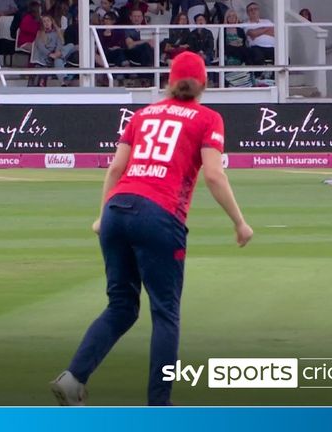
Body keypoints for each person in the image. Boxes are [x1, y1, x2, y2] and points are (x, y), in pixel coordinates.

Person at [50, 51, 253, 406]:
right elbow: (214, 174)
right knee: (165, 313)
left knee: (122, 305)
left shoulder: (142, 114)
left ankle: (73, 378)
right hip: (159, 215)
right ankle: (160, 406)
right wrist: (239, 222)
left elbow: (115, 170)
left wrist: (102, 216)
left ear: (169, 81)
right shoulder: (208, 118)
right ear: (204, 83)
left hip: (117, 210)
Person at [30, 14, 63, 86]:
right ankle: (38, 84)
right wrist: (49, 54)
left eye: (48, 21)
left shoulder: (57, 33)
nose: (46, 23)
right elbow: (40, 46)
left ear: (51, 22)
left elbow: (59, 44)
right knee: (39, 68)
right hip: (43, 56)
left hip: (53, 56)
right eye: (44, 22)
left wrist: (55, 54)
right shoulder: (40, 33)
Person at [243, 2, 274, 66]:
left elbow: (274, 32)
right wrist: (267, 28)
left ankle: (274, 75)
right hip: (257, 47)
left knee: (285, 58)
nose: (253, 11)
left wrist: (258, 31)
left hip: (272, 46)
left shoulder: (267, 21)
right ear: (247, 13)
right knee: (257, 57)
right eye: (250, 10)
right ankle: (260, 75)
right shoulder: (246, 24)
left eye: (255, 9)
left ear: (259, 11)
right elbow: (253, 34)